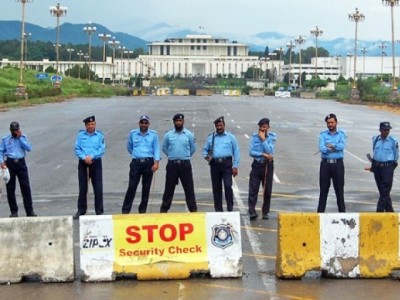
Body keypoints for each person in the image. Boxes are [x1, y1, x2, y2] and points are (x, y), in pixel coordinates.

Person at [122, 115, 160, 214]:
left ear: (148, 124)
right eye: (142, 122)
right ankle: (125, 211)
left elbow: (156, 149)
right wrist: (136, 155)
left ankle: (142, 210)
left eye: (145, 123)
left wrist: (156, 162)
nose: (144, 124)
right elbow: (129, 147)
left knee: (146, 188)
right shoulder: (133, 134)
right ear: (139, 123)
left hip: (148, 163)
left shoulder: (153, 135)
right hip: (136, 163)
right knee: (132, 187)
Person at [160, 113, 197, 213]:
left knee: (189, 188)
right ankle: (164, 210)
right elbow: (164, 148)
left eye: (180, 121)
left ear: (183, 122)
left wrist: (185, 156)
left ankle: (193, 210)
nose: (178, 123)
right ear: (174, 122)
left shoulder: (189, 134)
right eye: (177, 121)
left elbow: (193, 149)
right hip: (172, 165)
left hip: (185, 164)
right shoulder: (168, 135)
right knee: (169, 189)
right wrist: (172, 156)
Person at [203, 116, 240, 212]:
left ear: (224, 125)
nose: (219, 127)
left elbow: (236, 151)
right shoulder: (211, 138)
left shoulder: (231, 137)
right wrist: (206, 156)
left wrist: (235, 166)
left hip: (227, 164)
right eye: (217, 126)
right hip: (215, 164)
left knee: (228, 185)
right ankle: (218, 210)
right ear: (215, 126)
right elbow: (205, 150)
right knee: (216, 188)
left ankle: (230, 208)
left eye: (221, 125)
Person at [0, 121, 36, 217]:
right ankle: (14, 212)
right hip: (10, 163)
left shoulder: (23, 137)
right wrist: (2, 162)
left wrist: (20, 138)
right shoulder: (5, 139)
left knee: (25, 188)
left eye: (16, 130)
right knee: (10, 189)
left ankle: (29, 211)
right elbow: (1, 151)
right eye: (13, 131)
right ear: (10, 130)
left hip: (21, 163)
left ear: (19, 129)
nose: (14, 132)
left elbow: (29, 148)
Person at [74, 116, 105, 219]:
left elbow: (102, 149)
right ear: (85, 125)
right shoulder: (80, 135)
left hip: (95, 162)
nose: (90, 126)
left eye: (92, 124)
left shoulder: (100, 135)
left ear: (95, 124)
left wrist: (91, 156)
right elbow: (77, 149)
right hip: (83, 163)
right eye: (88, 125)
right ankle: (81, 210)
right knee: (83, 187)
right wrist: (84, 158)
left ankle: (99, 211)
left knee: (98, 187)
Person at [317, 113, 347, 213]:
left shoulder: (342, 134)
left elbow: (341, 147)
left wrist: (331, 146)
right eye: (328, 123)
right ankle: (320, 214)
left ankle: (342, 214)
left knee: (339, 191)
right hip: (325, 165)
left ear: (336, 123)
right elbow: (322, 149)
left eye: (332, 122)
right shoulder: (323, 135)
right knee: (323, 191)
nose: (330, 124)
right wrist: (334, 147)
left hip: (338, 165)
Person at [248, 118, 276, 220]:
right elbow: (251, 152)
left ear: (268, 127)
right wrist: (262, 154)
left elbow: (270, 151)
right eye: (261, 127)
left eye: (264, 127)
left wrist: (264, 139)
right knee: (253, 188)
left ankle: (265, 212)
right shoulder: (254, 137)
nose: (262, 129)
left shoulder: (272, 137)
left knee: (267, 189)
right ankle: (252, 211)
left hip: (267, 165)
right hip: (257, 164)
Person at [368, 122, 398, 212]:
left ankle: (379, 211)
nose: (386, 131)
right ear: (380, 130)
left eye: (388, 130)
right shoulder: (375, 139)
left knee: (385, 190)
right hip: (377, 167)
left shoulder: (393, 141)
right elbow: (375, 152)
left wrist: (392, 166)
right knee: (383, 191)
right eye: (384, 130)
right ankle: (390, 212)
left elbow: (396, 154)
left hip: (387, 167)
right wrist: (373, 166)